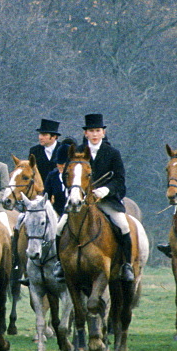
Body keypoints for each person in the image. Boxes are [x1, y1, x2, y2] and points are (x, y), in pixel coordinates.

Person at [56, 114, 135, 282]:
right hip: (81, 202)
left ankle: (126, 265)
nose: (94, 134)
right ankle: (60, 265)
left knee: (123, 226)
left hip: (106, 201)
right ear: (86, 134)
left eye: (97, 131)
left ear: (103, 133)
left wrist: (105, 191)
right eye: (91, 131)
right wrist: (73, 190)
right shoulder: (77, 153)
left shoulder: (112, 153)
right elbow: (66, 176)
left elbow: (120, 180)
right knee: (59, 227)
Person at [27, 118, 62, 183]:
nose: (40, 137)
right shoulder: (34, 151)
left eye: (44, 135)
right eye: (40, 134)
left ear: (54, 136)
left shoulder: (63, 149)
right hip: (40, 189)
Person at [43, 145, 71, 216]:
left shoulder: (76, 177)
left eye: (64, 164)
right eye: (59, 164)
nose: (61, 166)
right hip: (57, 213)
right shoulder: (52, 176)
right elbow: (46, 196)